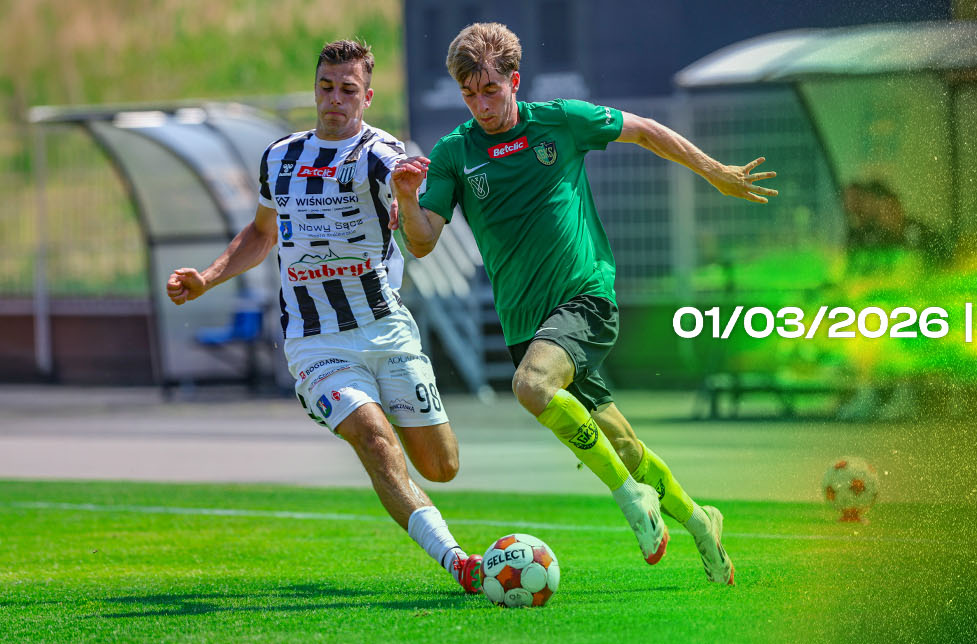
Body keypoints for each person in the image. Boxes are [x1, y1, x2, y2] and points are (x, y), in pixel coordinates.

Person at [391, 22, 778, 585]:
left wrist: (715, 173)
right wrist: (407, 199)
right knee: (622, 444)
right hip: (526, 323)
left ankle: (631, 498)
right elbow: (423, 241)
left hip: (584, 296)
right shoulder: (455, 152)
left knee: (531, 386)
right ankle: (700, 521)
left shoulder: (561, 121)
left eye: (490, 90)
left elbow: (644, 130)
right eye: (469, 94)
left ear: (514, 81)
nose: (481, 105)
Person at [165, 40, 483, 594]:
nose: (335, 99)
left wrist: (408, 196)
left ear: (367, 97)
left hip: (385, 328)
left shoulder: (382, 154)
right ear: (316, 88)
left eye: (348, 90)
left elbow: (418, 237)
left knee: (441, 467)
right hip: (315, 341)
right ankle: (457, 561)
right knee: (375, 439)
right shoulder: (280, 157)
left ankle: (382, 417)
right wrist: (208, 277)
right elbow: (262, 232)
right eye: (326, 87)